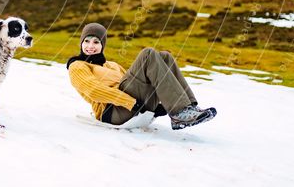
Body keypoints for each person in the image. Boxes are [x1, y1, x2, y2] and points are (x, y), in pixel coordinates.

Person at [66, 22, 217, 130]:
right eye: (86, 41)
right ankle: (180, 112)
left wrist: (157, 106)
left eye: (96, 42)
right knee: (148, 54)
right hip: (112, 111)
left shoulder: (111, 65)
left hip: (133, 105)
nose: (90, 46)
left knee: (165, 57)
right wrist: (131, 103)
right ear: (81, 43)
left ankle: (189, 107)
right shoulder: (78, 65)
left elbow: (136, 83)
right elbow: (94, 91)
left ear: (102, 45)